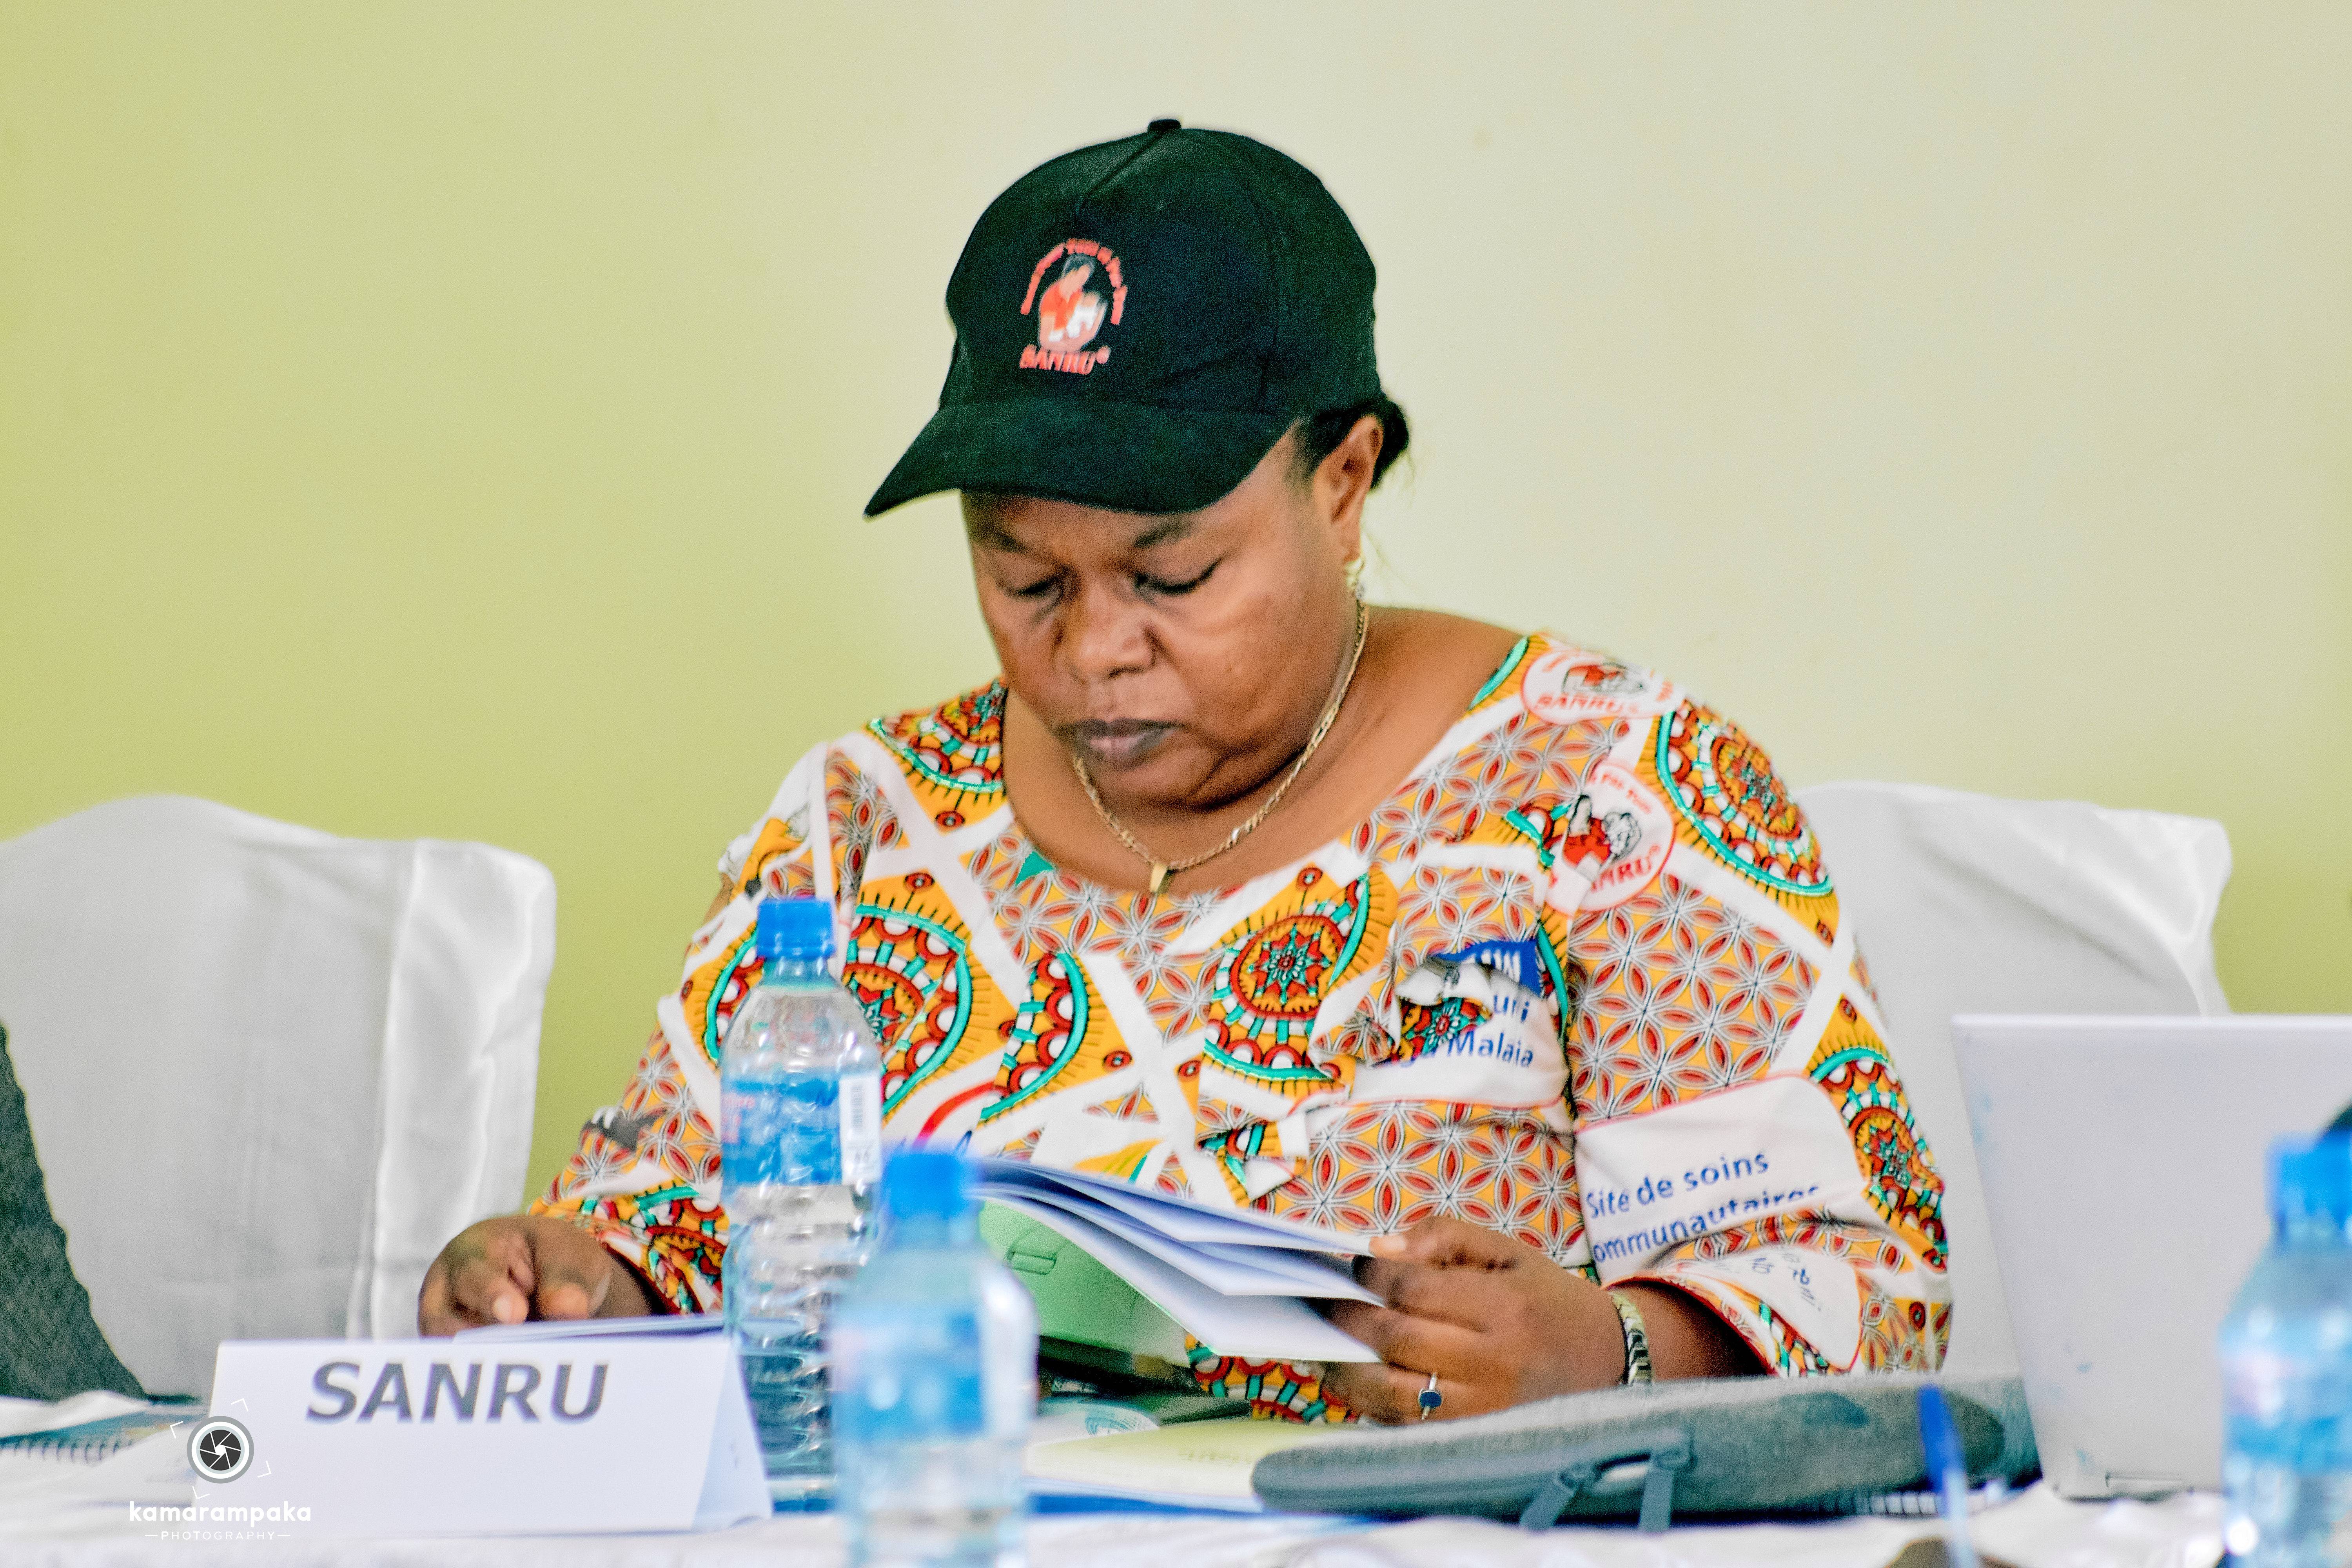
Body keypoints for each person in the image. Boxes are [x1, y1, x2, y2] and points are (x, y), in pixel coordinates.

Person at [419, 123, 1950, 1424]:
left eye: (1173, 576)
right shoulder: (862, 824)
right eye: (1025, 577)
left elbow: (1864, 1285)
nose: (1095, 648)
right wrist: (565, 1282)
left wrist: (1612, 1354)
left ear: (1342, 483)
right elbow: (672, 1221)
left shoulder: (1607, 788)